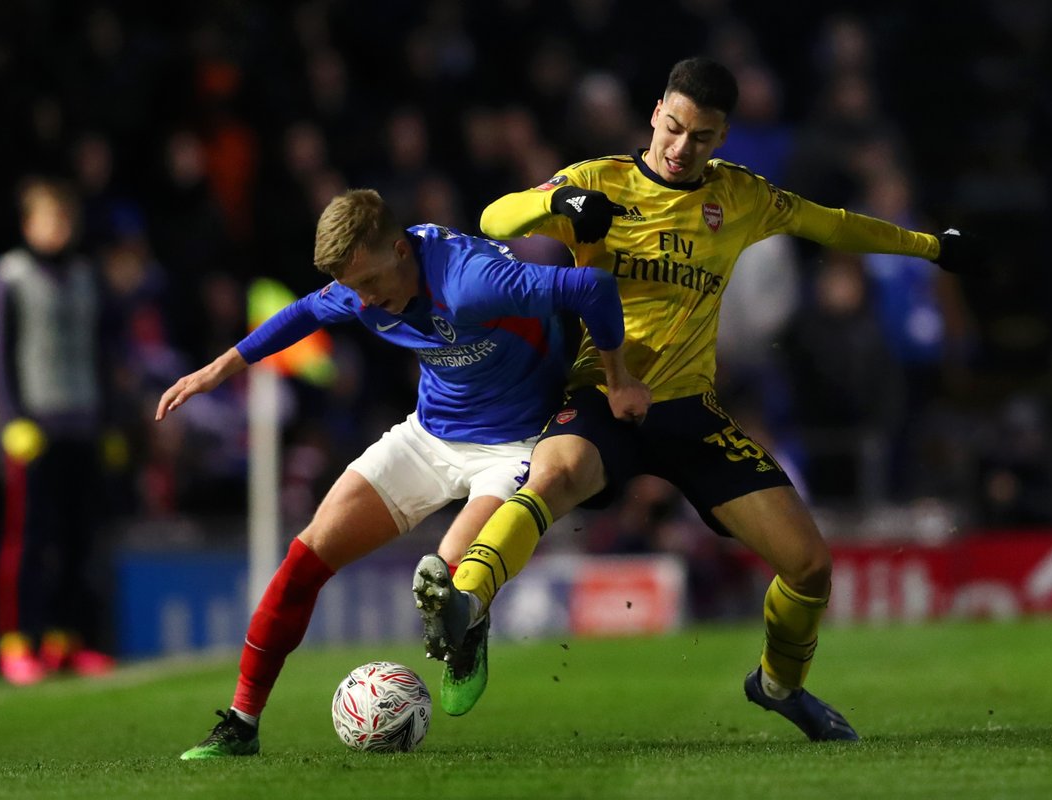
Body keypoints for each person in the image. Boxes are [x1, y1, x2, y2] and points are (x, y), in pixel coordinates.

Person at [413, 57, 981, 741]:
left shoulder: (738, 196)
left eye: (702, 137)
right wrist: (555, 203)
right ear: (656, 113)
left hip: (688, 410)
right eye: (675, 128)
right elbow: (494, 217)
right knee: (555, 473)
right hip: (602, 393)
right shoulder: (600, 182)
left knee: (809, 568)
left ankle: (779, 685)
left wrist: (929, 247)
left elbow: (830, 225)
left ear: (722, 137)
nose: (683, 148)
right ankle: (467, 603)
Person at [160, 188, 648, 759]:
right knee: (303, 561)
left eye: (369, 282)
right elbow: (303, 312)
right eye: (354, 288)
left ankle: (467, 629)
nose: (364, 299)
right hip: (428, 435)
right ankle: (242, 725)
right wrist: (222, 367)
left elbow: (592, 287)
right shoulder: (362, 286)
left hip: (514, 446)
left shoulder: (473, 282)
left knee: (444, 579)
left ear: (399, 250)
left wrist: (617, 379)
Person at [0, 178, 117, 686]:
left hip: (81, 424)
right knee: (27, 541)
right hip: (33, 428)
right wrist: (10, 421)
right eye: (48, 218)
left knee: (78, 539)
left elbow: (101, 353)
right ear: (28, 224)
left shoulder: (86, 274)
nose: (58, 228)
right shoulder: (10, 276)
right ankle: (17, 641)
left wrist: (108, 421)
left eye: (64, 218)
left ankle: (66, 641)